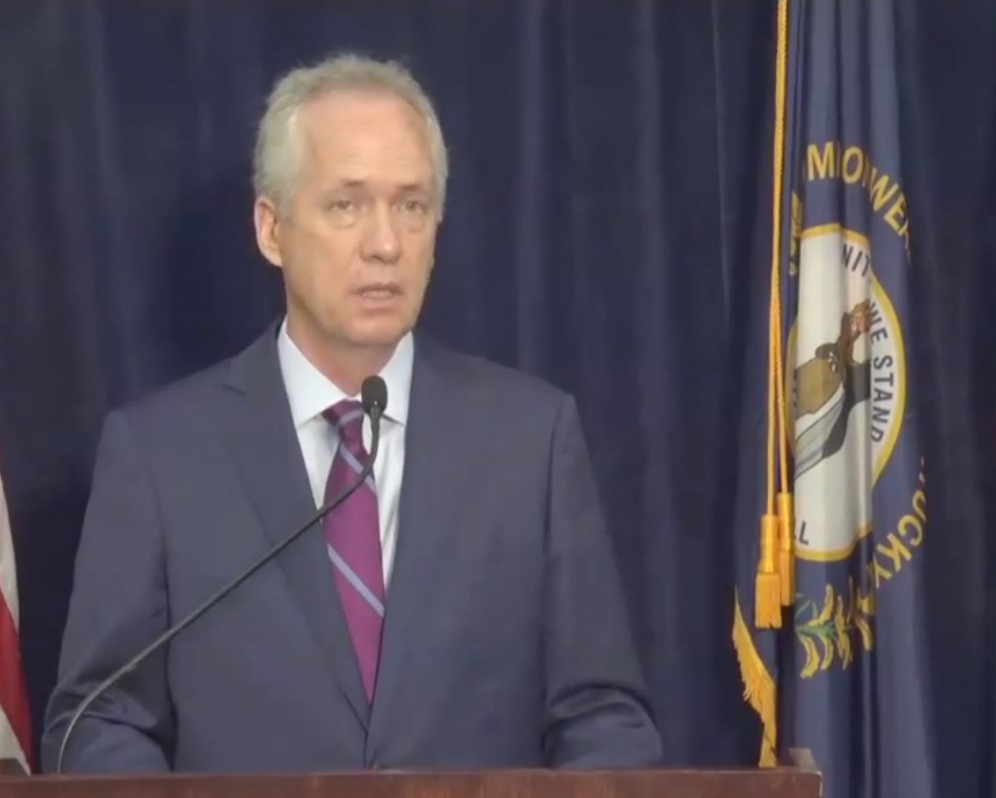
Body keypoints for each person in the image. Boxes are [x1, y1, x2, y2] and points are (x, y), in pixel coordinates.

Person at [42, 52, 661, 774]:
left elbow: (601, 718)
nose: (385, 245)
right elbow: (98, 720)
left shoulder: (530, 439)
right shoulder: (160, 455)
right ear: (271, 229)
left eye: (411, 206)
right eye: (346, 205)